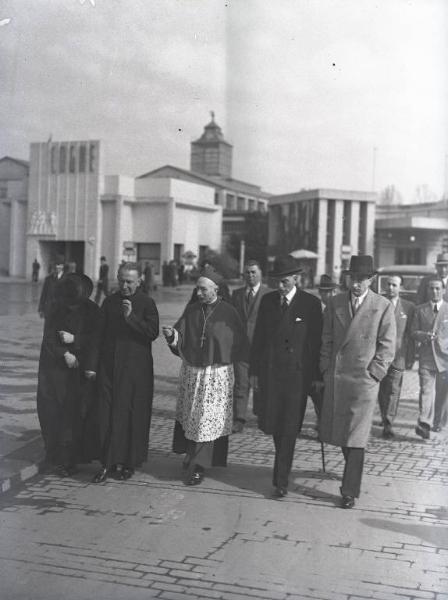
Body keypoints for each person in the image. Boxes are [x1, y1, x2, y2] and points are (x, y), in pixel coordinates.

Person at [319, 255, 396, 509]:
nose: (357, 284)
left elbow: (387, 345)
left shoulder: (382, 306)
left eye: (363, 279)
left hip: (364, 380)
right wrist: (325, 367)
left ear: (372, 280)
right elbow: (327, 338)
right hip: (338, 377)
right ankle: (350, 482)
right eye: (354, 278)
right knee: (343, 433)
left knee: (357, 436)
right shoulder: (335, 303)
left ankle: (349, 490)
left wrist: (375, 372)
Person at [162, 266, 245, 486]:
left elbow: (238, 345)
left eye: (202, 289)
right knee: (192, 416)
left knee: (207, 419)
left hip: (216, 374)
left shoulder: (229, 312)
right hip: (192, 372)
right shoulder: (191, 311)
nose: (198, 294)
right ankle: (191, 454)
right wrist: (172, 336)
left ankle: (199, 465)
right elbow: (180, 339)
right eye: (197, 289)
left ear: (215, 289)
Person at [250, 255, 323, 498]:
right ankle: (282, 470)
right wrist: (253, 373)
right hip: (271, 375)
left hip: (297, 378)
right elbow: (258, 339)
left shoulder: (310, 304)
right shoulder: (269, 301)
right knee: (275, 426)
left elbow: (315, 344)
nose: (281, 286)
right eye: (278, 282)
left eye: (285, 281)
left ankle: (281, 480)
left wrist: (316, 377)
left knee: (290, 427)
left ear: (296, 278)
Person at [93, 262, 159, 483]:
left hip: (135, 372)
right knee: (106, 414)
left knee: (132, 415)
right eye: (121, 280)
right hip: (109, 369)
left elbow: (152, 333)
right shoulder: (110, 302)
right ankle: (107, 462)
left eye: (129, 281)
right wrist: (93, 367)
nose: (124, 285)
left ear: (139, 280)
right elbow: (98, 335)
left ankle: (129, 462)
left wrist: (131, 317)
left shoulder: (147, 303)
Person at [36, 274, 101, 476]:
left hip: (79, 371)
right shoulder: (56, 309)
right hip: (53, 371)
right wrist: (63, 353)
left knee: (74, 414)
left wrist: (76, 340)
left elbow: (98, 339)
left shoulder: (92, 311)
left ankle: (69, 459)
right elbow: (48, 338)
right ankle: (54, 454)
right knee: (51, 411)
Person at [231, 259, 270, 433]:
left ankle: (262, 416)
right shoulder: (237, 294)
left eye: (254, 272)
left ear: (260, 273)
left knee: (260, 384)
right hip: (241, 348)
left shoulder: (269, 294)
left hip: (261, 348)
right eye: (247, 272)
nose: (250, 275)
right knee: (241, 384)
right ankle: (239, 418)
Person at [378, 275, 415, 439]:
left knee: (393, 391)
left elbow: (410, 335)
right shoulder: (379, 304)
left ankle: (388, 422)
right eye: (389, 284)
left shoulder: (408, 307)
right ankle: (384, 415)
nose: (390, 288)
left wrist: (410, 357)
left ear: (400, 288)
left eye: (394, 285)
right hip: (379, 356)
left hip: (398, 356)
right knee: (381, 391)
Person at [411, 277, 448, 438]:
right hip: (426, 358)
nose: (435, 291)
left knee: (442, 393)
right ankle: (424, 423)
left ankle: (438, 422)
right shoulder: (420, 310)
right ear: (427, 290)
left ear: (444, 290)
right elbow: (413, 332)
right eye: (431, 288)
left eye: (438, 288)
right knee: (426, 390)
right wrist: (424, 335)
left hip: (445, 359)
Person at [308, 275, 339, 422]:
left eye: (332, 291)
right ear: (320, 293)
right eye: (326, 292)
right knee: (317, 394)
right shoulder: (314, 311)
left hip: (335, 361)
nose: (330, 295)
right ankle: (321, 421)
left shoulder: (340, 310)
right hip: (317, 359)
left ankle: (327, 423)